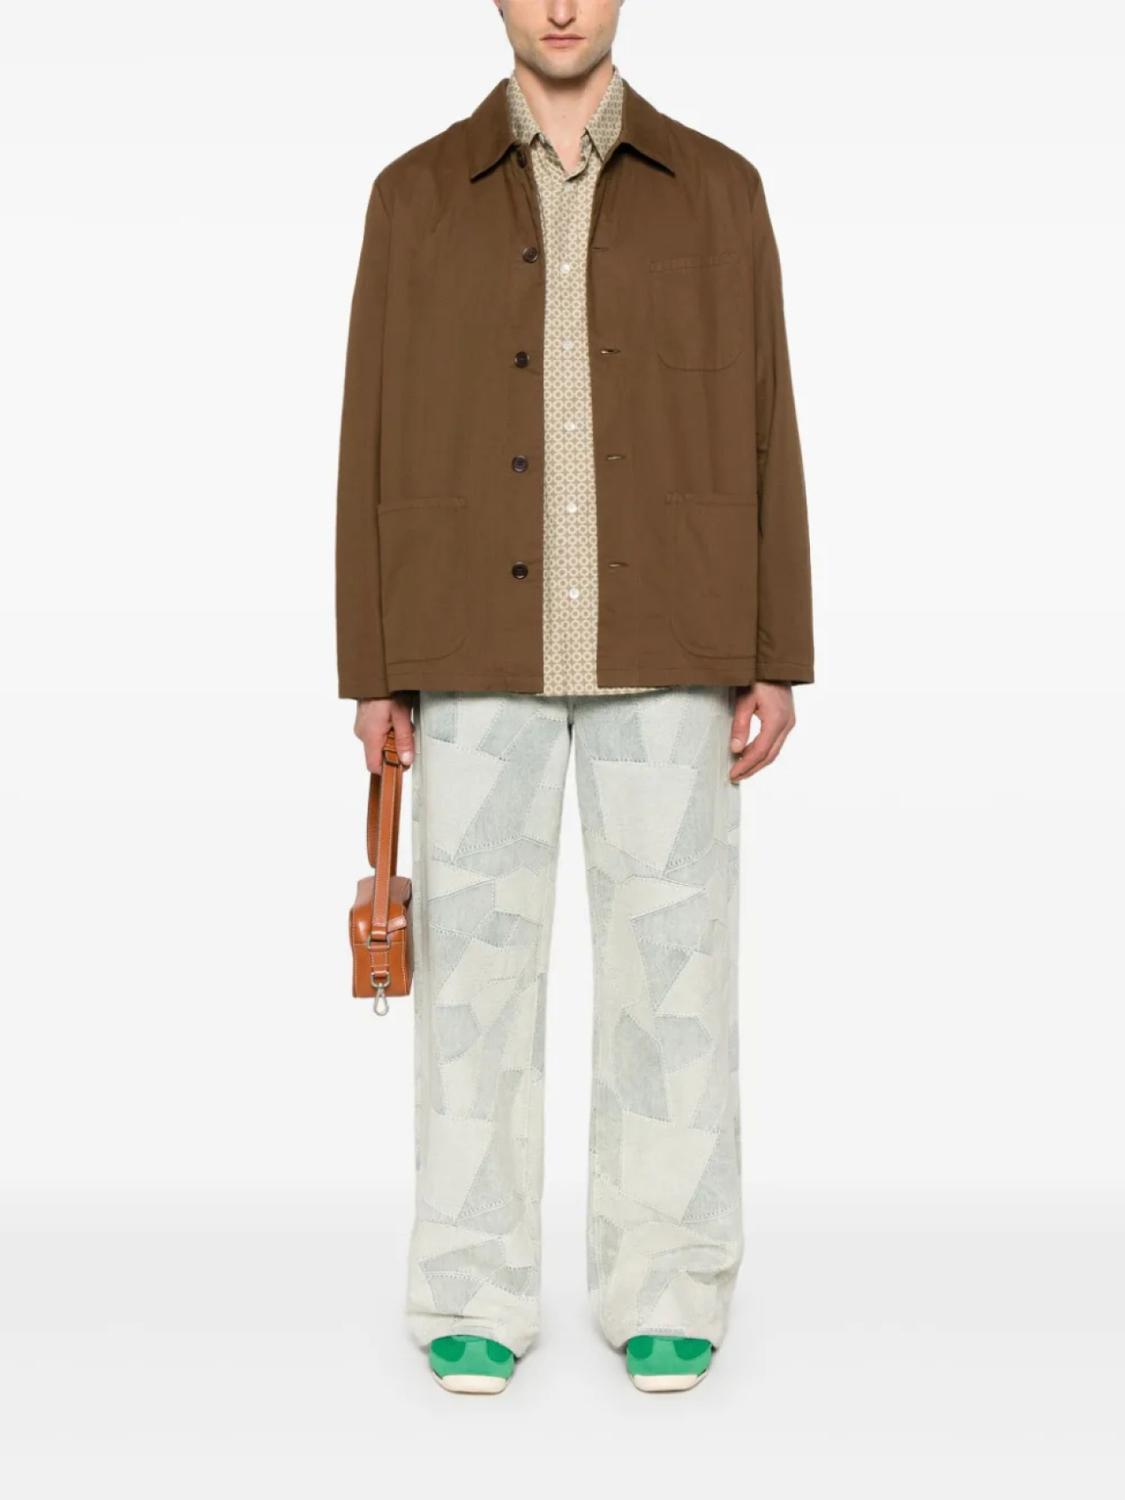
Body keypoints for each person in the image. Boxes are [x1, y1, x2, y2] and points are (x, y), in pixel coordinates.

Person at [334, 0, 813, 1395]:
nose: (560, 7)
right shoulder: (413, 195)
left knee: (677, 989)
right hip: (468, 642)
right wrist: (371, 669)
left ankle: (670, 1284)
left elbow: (769, 417)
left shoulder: (718, 189)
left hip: (672, 640)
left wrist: (775, 647)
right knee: (471, 999)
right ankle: (469, 1290)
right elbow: (366, 429)